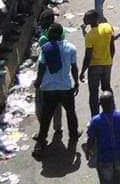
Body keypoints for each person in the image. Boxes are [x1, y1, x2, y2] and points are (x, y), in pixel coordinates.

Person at [33, 23, 80, 158]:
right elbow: (74, 67)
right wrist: (76, 82)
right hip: (65, 87)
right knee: (70, 113)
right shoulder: (70, 48)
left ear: (51, 35)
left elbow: (41, 68)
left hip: (49, 88)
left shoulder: (45, 49)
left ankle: (41, 142)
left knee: (46, 117)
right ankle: (74, 134)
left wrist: (38, 81)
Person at [80, 9, 120, 117]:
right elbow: (112, 45)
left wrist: (82, 71)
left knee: (93, 93)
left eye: (86, 18)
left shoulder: (90, 36)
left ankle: (95, 117)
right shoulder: (107, 27)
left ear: (91, 20)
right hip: (107, 64)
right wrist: (110, 59)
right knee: (106, 88)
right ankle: (111, 111)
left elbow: (88, 56)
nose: (84, 19)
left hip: (94, 66)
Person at [86, 91, 120, 184]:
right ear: (113, 102)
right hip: (119, 155)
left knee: (106, 180)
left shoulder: (95, 120)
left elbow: (91, 138)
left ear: (100, 104)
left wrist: (88, 150)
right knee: (118, 178)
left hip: (104, 158)